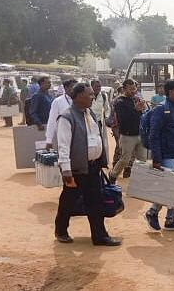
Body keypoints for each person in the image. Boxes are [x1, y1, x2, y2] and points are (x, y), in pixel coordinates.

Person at [54, 83, 121, 246]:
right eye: (89, 95)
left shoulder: (89, 112)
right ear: (77, 97)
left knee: (95, 202)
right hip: (76, 170)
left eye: (92, 95)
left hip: (93, 167)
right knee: (69, 201)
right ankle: (61, 230)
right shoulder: (67, 117)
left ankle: (99, 236)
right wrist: (67, 172)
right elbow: (63, 147)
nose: (92, 97)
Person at [144, 80, 174, 231]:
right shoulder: (161, 109)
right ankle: (153, 213)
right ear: (171, 92)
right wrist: (156, 159)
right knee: (170, 187)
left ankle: (170, 219)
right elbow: (153, 135)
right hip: (166, 155)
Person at [109, 79, 147, 183]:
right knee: (125, 159)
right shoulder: (119, 102)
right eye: (131, 89)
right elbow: (123, 119)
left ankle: (139, 181)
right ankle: (113, 175)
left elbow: (142, 114)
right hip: (127, 135)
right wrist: (136, 110)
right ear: (124, 89)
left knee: (142, 160)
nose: (134, 91)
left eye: (135, 88)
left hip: (139, 134)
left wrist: (142, 109)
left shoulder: (136, 99)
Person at [45, 79, 77, 149]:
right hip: (63, 137)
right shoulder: (58, 102)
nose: (75, 89)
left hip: (79, 137)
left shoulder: (80, 100)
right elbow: (52, 121)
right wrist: (49, 140)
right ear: (66, 88)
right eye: (73, 87)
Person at [90, 80, 110, 161]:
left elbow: (107, 108)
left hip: (99, 122)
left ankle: (100, 160)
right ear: (91, 86)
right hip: (88, 122)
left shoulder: (103, 95)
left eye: (99, 86)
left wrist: (107, 117)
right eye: (96, 86)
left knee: (99, 141)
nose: (98, 88)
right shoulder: (88, 95)